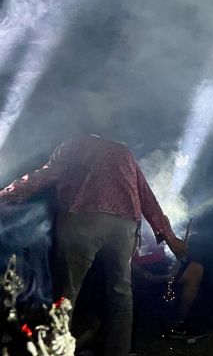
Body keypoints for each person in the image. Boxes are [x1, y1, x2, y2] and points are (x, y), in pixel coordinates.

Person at [0, 134, 187, 356]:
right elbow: (146, 196)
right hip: (124, 225)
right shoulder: (123, 151)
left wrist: (6, 195)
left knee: (67, 293)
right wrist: (170, 237)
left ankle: (57, 351)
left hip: (82, 220)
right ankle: (119, 351)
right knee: (121, 292)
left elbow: (42, 177)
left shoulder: (72, 144)